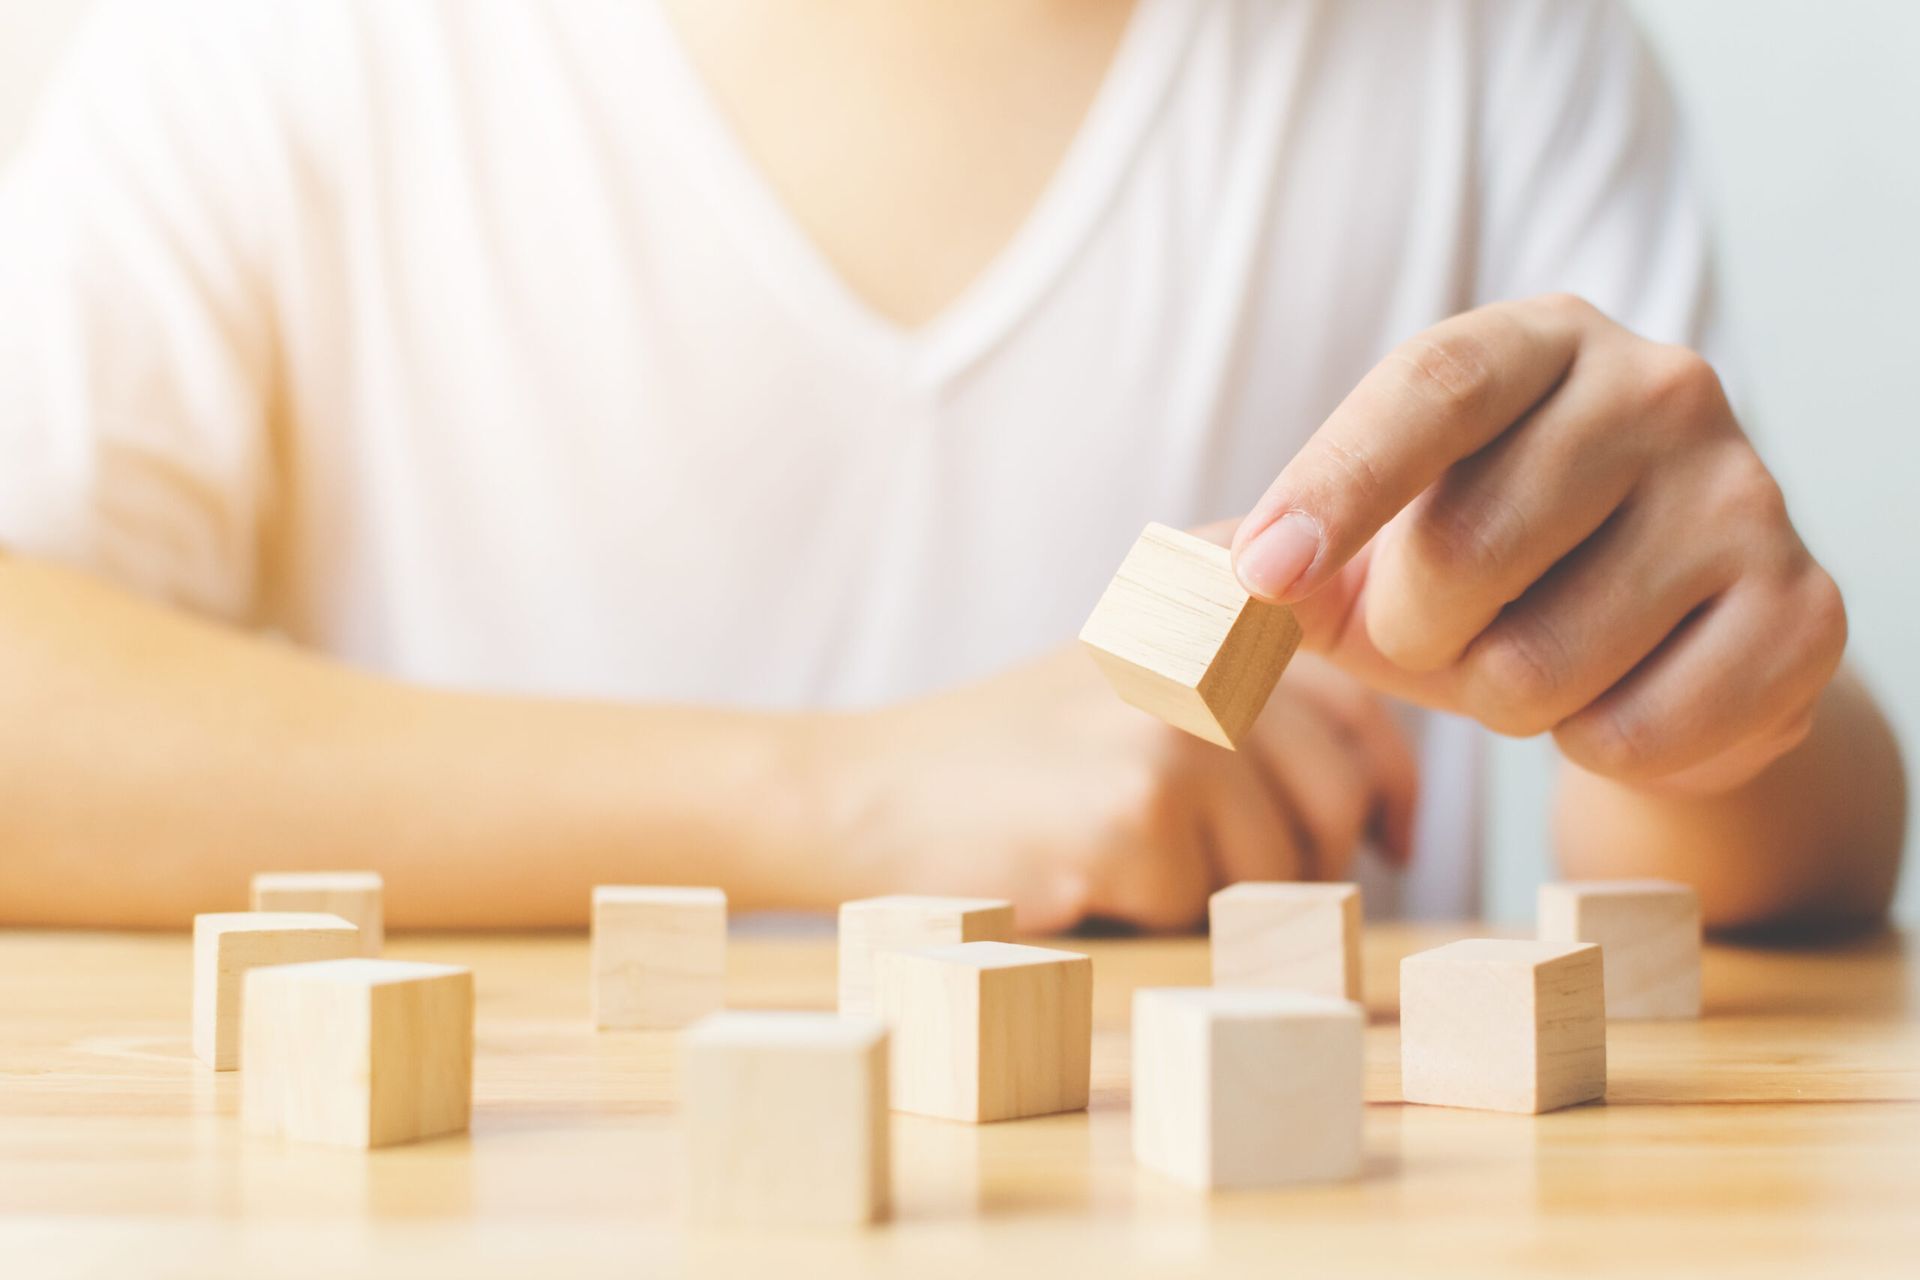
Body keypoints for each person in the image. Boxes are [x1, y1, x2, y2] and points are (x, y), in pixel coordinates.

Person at [0, 0, 1904, 933]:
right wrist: (834, 799)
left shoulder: (1496, 50)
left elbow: (1754, 887)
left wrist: (1724, 722)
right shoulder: (258, 50)